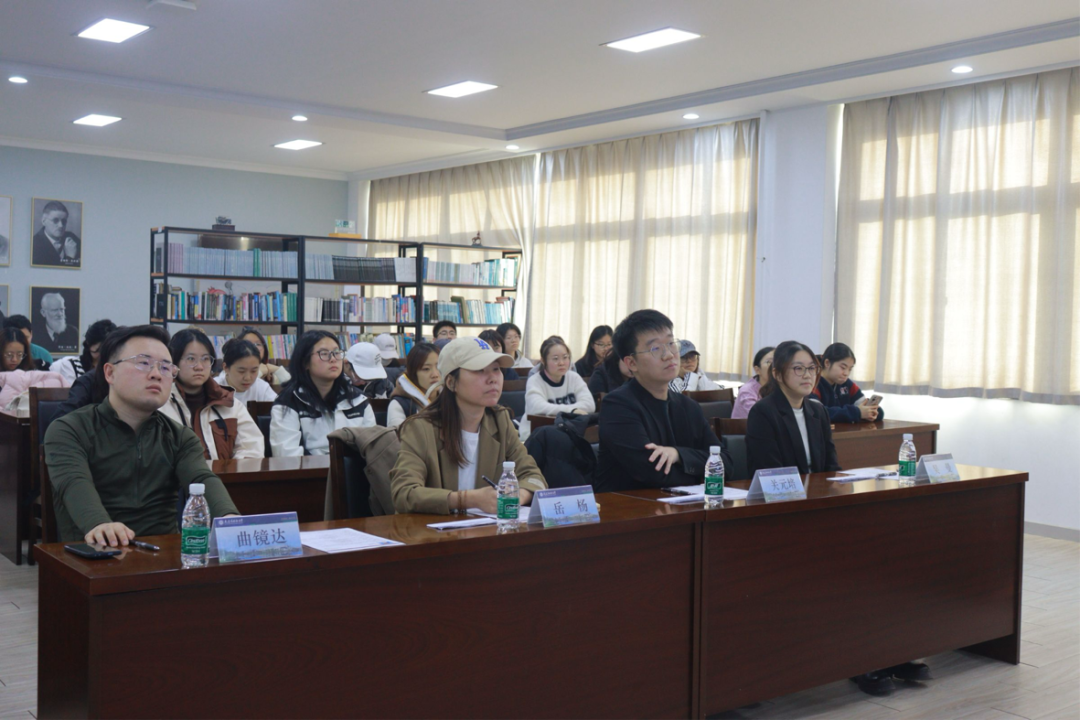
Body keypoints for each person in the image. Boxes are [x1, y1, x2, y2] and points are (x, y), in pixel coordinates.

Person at [43, 325, 239, 546]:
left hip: (163, 554)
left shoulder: (180, 437)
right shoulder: (69, 429)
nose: (156, 374)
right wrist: (100, 524)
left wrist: (229, 518)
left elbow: (201, 479)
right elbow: (74, 483)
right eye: (143, 363)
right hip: (93, 553)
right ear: (110, 373)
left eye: (165, 367)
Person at [390, 337, 547, 514]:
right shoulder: (420, 428)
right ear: (451, 382)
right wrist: (466, 500)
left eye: (496, 369)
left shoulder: (500, 421)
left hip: (486, 528)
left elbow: (533, 476)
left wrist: (515, 496)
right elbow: (403, 493)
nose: (493, 379)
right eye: (479, 370)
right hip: (432, 529)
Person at [593, 310, 732, 492]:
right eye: (655, 348)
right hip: (629, 505)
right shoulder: (618, 405)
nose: (669, 355)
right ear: (631, 363)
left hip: (682, 504)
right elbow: (652, 473)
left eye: (671, 343)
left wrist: (677, 454)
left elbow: (725, 463)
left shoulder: (688, 406)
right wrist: (699, 472)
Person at [158, 329, 264, 460]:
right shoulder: (160, 405)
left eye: (205, 359)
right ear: (174, 363)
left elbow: (252, 450)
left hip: (225, 473)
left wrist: (228, 471)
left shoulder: (230, 404)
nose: (199, 367)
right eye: (191, 359)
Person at [271, 331, 375, 456]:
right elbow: (286, 454)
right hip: (308, 468)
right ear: (305, 362)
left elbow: (372, 447)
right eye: (324, 354)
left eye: (336, 353)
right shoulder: (288, 402)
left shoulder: (358, 399)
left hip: (354, 467)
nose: (333, 359)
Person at [745, 341, 840, 477]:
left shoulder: (818, 411)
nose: (807, 375)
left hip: (817, 488)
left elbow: (831, 466)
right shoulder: (762, 413)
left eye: (812, 368)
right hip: (781, 488)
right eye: (798, 368)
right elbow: (771, 471)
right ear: (777, 374)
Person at [523, 336, 595, 434]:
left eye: (565, 357)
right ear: (543, 361)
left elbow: (589, 405)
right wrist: (572, 410)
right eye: (555, 359)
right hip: (537, 432)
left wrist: (562, 411)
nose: (561, 363)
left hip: (569, 431)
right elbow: (537, 408)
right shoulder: (534, 381)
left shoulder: (574, 377)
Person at [814, 342, 883, 424]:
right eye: (843, 367)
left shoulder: (847, 384)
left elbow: (867, 407)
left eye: (850, 369)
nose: (846, 373)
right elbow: (817, 412)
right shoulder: (812, 383)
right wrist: (858, 413)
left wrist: (872, 412)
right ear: (827, 363)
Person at [386, 342, 440, 429]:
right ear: (413, 373)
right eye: (426, 369)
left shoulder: (453, 398)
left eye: (439, 367)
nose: (435, 374)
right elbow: (399, 436)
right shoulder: (400, 405)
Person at [50, 319, 116, 385]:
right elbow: (73, 390)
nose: (104, 354)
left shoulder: (117, 368)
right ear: (89, 344)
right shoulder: (71, 366)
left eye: (110, 349)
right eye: (100, 349)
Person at [215, 338, 278, 403]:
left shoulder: (262, 388)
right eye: (241, 371)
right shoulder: (213, 388)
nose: (247, 378)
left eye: (253, 371)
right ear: (225, 367)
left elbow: (279, 407)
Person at [32, 200, 81, 268]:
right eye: (55, 220)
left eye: (64, 221)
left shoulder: (72, 238)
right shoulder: (34, 245)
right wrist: (69, 258)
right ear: (43, 221)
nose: (61, 225)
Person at [732, 346, 774, 419]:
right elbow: (759, 418)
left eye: (777, 362)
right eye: (769, 362)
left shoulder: (779, 387)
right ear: (757, 370)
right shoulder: (747, 391)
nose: (774, 366)